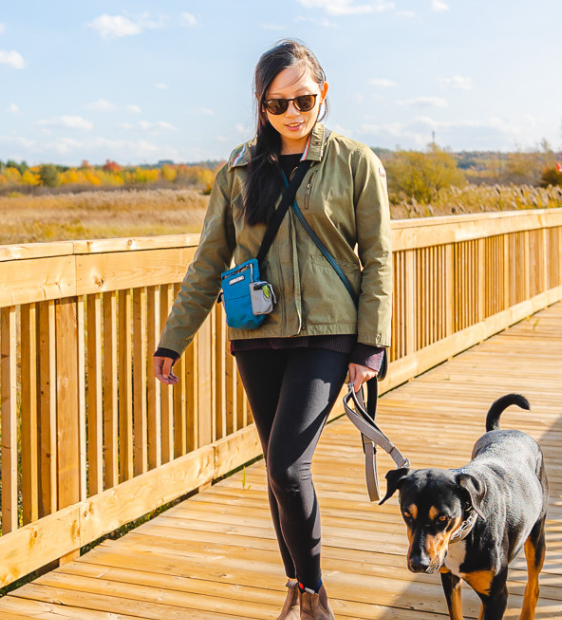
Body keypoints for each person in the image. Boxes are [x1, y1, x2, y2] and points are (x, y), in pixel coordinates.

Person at [151, 39, 392, 620]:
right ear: (260, 105)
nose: (292, 115)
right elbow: (210, 262)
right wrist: (172, 340)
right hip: (256, 336)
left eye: (303, 101)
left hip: (330, 334)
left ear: (323, 94)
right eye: (277, 105)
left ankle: (313, 597)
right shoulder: (238, 170)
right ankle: (296, 584)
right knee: (276, 467)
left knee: (289, 464)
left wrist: (371, 343)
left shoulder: (355, 162)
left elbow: (379, 256)